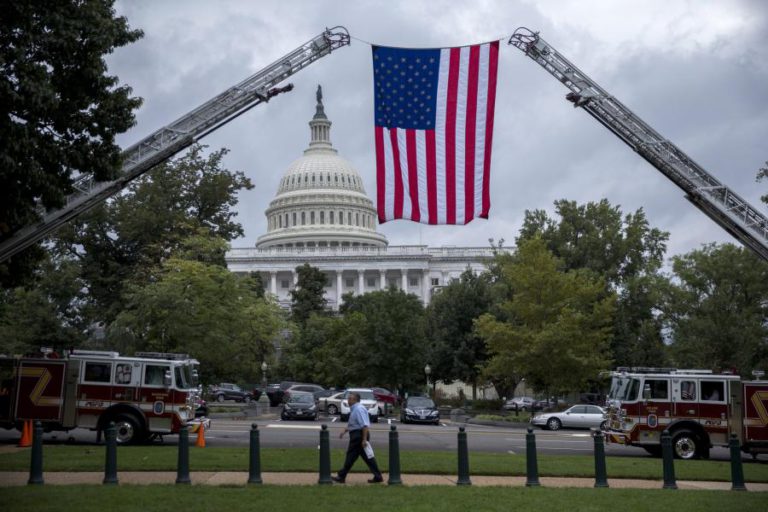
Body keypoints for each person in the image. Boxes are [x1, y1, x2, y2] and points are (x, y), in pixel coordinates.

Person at [332, 391, 383, 484]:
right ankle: (378, 476)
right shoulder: (355, 409)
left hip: (358, 436)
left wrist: (364, 439)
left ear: (355, 400)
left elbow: (364, 425)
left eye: (350, 399)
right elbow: (355, 424)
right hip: (358, 435)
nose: (348, 400)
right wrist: (345, 430)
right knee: (367, 457)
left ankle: (341, 476)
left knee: (351, 456)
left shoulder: (358, 409)